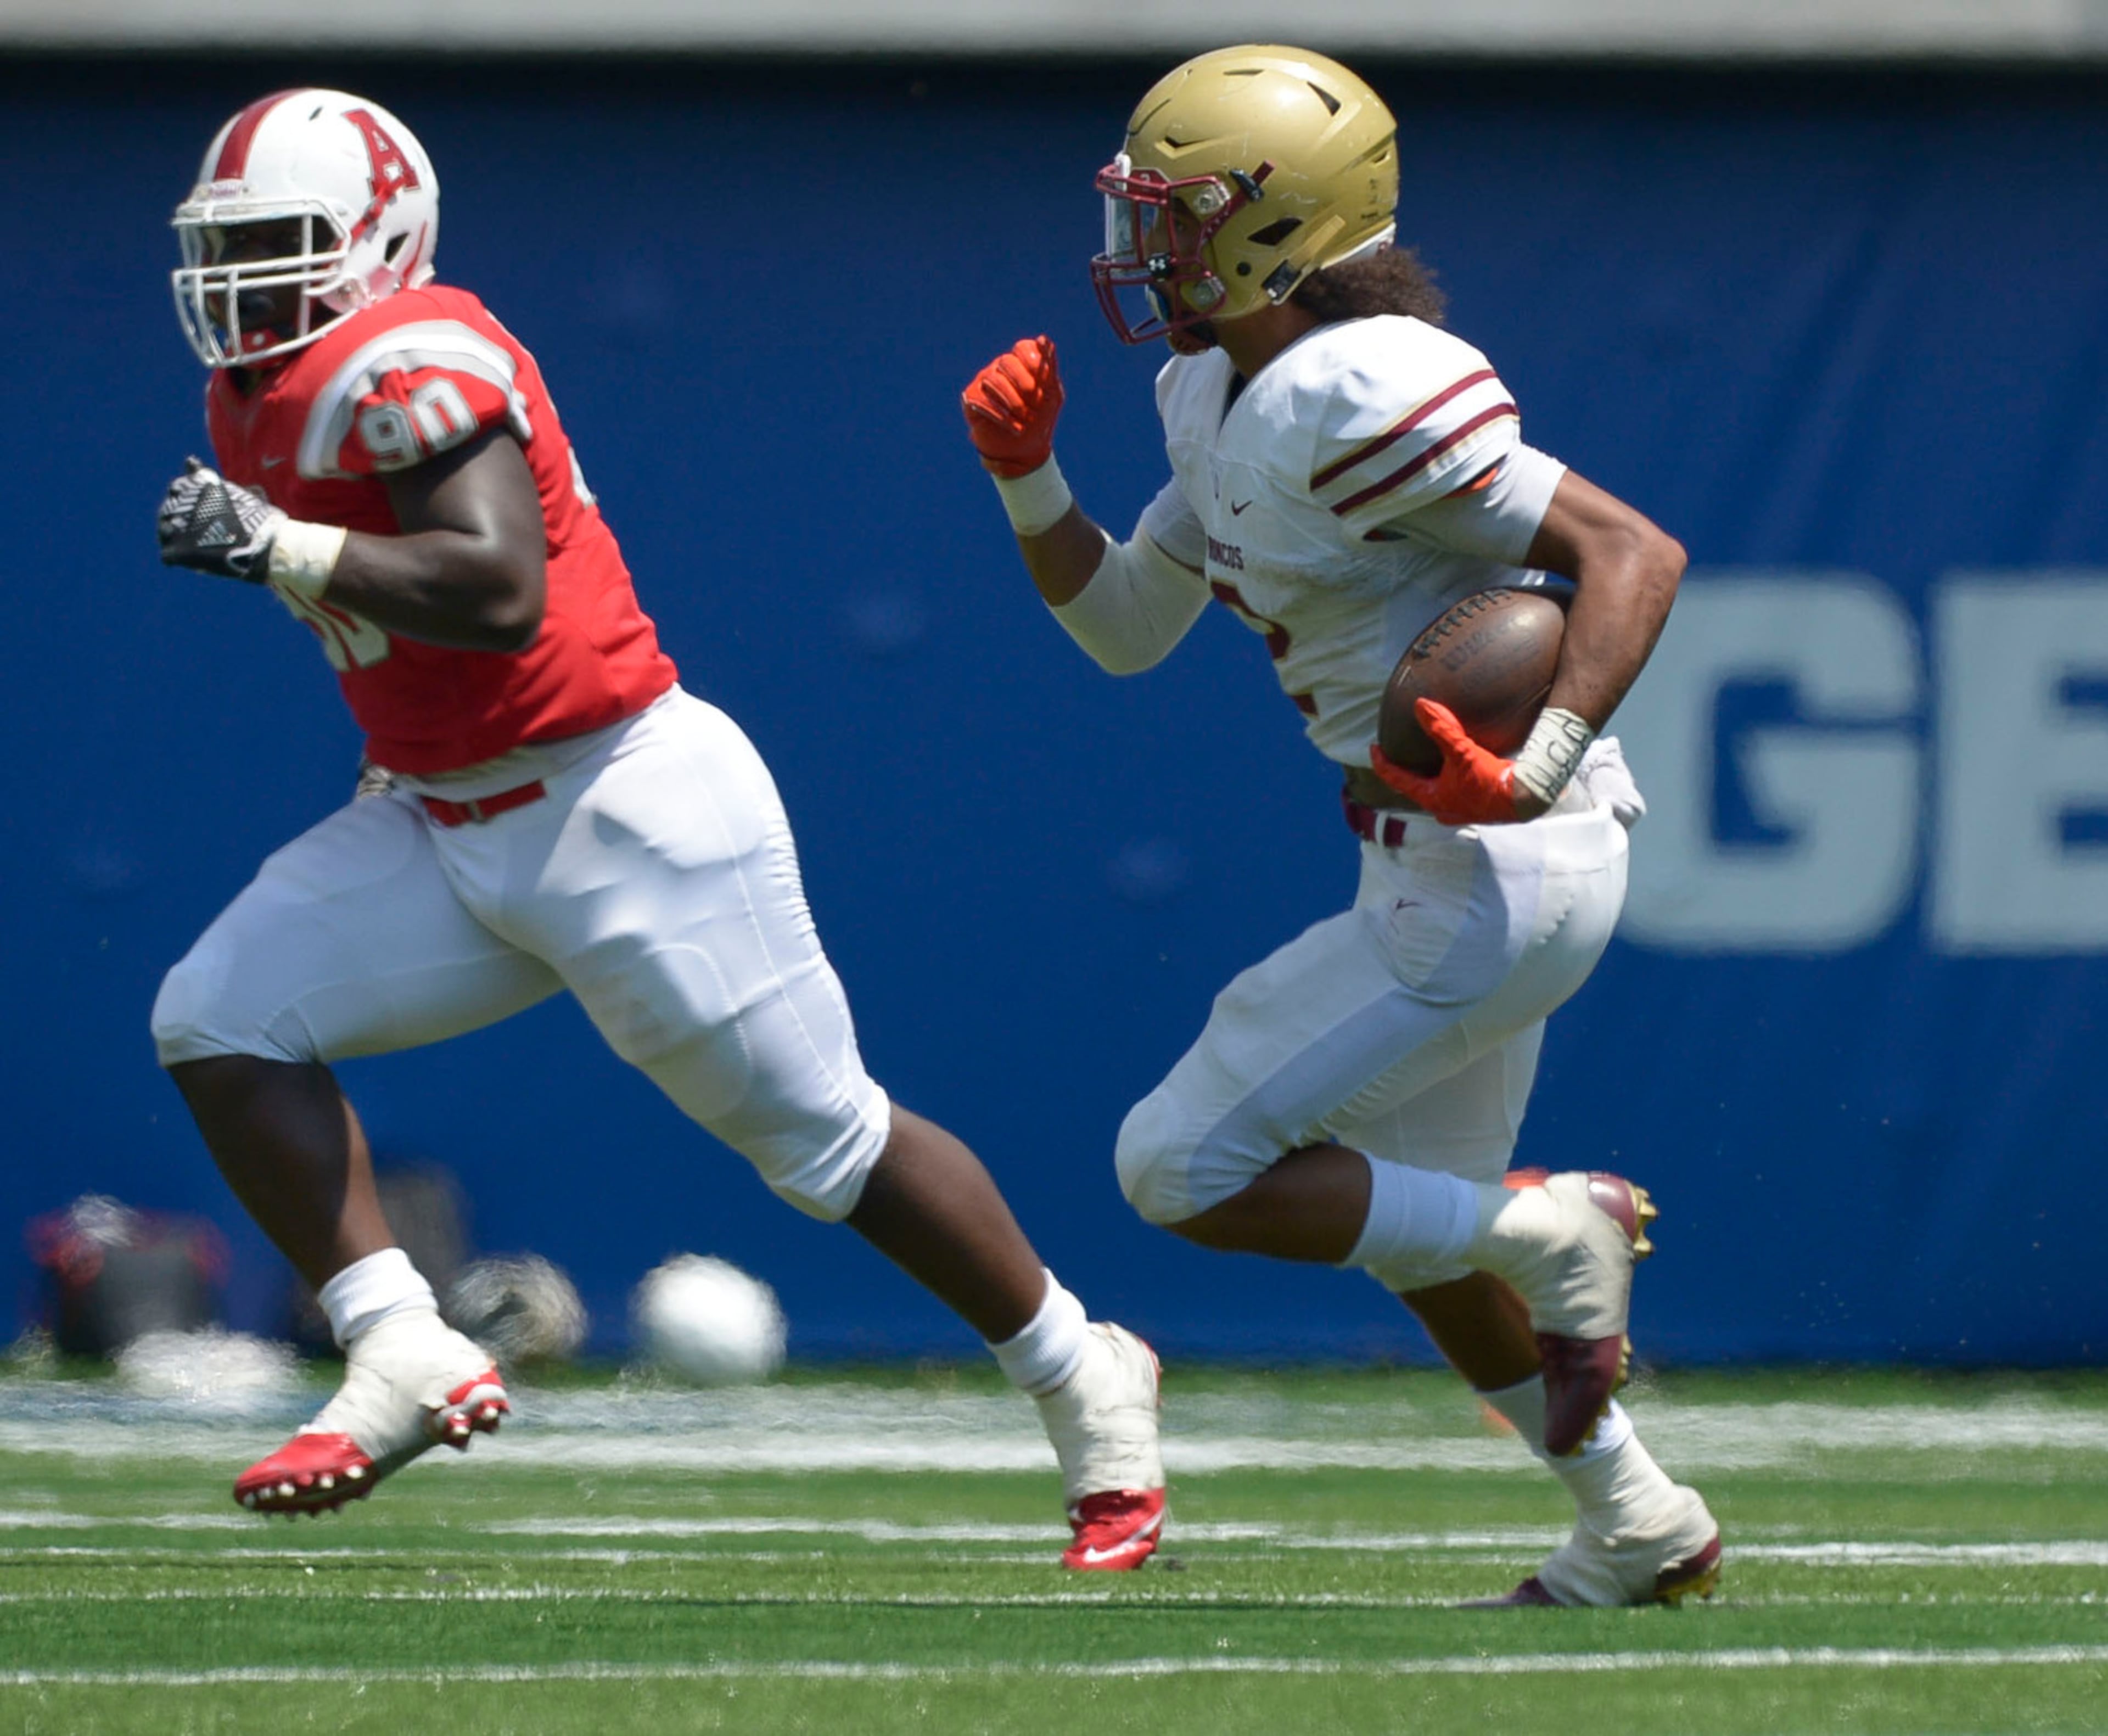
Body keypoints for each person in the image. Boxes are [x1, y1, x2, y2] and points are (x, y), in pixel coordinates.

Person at [150, 88, 1164, 1571]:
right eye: (231, 247)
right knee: (218, 1017)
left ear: (384, 243)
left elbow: (497, 588)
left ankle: (1089, 1377)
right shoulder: (257, 391)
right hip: (443, 817)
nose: (255, 281)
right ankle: (401, 1349)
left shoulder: (413, 353)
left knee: (830, 1143)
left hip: (620, 803)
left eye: (291, 244)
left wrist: (286, 546)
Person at [961, 44, 1719, 1606]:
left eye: (1178, 217)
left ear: (1278, 226)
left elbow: (1632, 553)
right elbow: (1119, 624)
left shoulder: (1353, 384)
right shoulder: (1212, 389)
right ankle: (1640, 1523)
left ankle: (1558, 1225)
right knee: (1420, 1240)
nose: (1143, 246)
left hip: (1498, 857)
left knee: (1175, 1165)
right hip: (1449, 867)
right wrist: (1032, 483)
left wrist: (1533, 757)